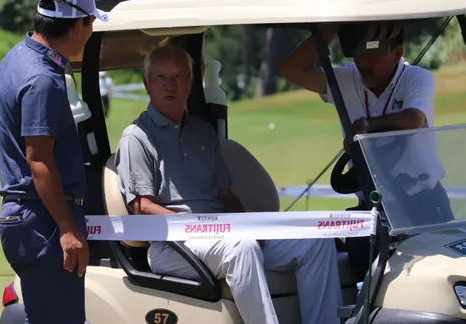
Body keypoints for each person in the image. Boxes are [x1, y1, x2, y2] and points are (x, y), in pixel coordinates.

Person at [115, 44, 343, 324]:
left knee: (316, 241)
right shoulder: (136, 137)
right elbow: (142, 208)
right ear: (146, 83)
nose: (169, 85)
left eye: (178, 76)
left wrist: (247, 225)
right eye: (160, 76)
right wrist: (198, 226)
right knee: (242, 248)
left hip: (221, 236)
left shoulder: (203, 132)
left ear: (190, 84)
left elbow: (225, 194)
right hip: (172, 246)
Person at [277, 24, 454, 278]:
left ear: (397, 53)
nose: (362, 62)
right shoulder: (345, 78)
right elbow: (290, 70)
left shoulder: (417, 78)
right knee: (365, 276)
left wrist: (367, 126)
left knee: (435, 276)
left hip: (423, 201)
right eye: (357, 54)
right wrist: (328, 31)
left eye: (372, 55)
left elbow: (413, 119)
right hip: (373, 206)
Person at [0, 0, 109, 323]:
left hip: (30, 216)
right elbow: (39, 161)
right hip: (43, 220)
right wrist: (68, 229)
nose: (91, 32)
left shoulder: (18, 56)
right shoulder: (42, 78)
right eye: (90, 23)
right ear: (76, 25)